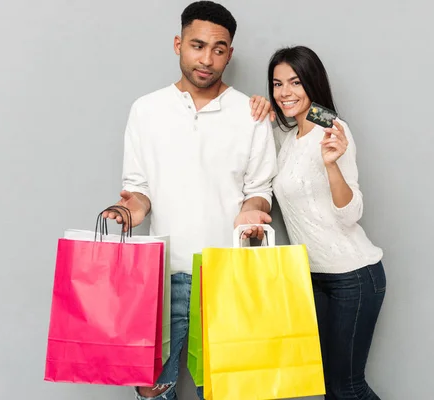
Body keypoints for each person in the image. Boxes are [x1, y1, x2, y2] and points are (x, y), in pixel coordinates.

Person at [102, 2, 276, 399]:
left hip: (227, 276)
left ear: (229, 53)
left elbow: (260, 190)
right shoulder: (146, 110)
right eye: (197, 45)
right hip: (163, 276)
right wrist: (130, 210)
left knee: (224, 391)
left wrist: (254, 209)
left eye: (219, 49)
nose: (207, 59)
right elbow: (139, 189)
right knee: (151, 389)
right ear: (178, 44)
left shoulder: (250, 113)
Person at [267, 45, 387, 399]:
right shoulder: (288, 139)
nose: (285, 92)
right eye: (277, 84)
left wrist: (333, 164)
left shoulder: (333, 131)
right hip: (312, 278)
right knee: (329, 389)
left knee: (347, 388)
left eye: (295, 82)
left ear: (312, 83)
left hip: (353, 276)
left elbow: (351, 213)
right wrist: (259, 109)